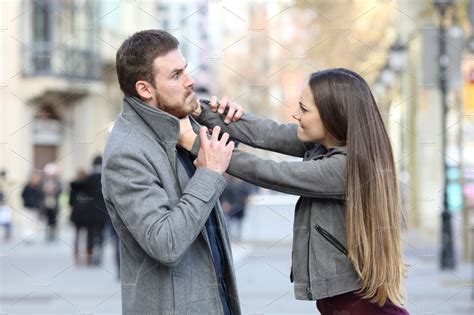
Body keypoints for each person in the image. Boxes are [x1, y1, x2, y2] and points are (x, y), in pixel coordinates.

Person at [179, 68, 409, 314]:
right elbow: (269, 132)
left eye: (305, 109)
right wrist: (200, 111)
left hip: (361, 306)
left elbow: (271, 172)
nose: (295, 114)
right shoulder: (326, 144)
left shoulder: (347, 167)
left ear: (333, 116)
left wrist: (192, 142)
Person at [102, 30, 240, 314]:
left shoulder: (179, 128)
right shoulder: (127, 153)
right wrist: (209, 174)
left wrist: (232, 122)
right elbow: (165, 243)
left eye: (186, 69)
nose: (190, 81)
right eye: (176, 75)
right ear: (145, 89)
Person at [41, 163, 62, 242]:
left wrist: (53, 191)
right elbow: (39, 190)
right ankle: (48, 234)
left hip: (54, 203)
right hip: (45, 203)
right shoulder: (43, 181)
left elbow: (60, 190)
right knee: (47, 219)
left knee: (54, 220)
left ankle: (53, 234)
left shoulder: (57, 181)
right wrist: (45, 190)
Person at [21, 172, 43, 242]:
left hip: (35, 207)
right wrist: (27, 201)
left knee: (33, 223)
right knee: (26, 222)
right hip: (27, 207)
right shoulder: (27, 186)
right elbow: (22, 195)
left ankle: (31, 236)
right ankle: (27, 236)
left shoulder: (38, 187)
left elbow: (40, 197)